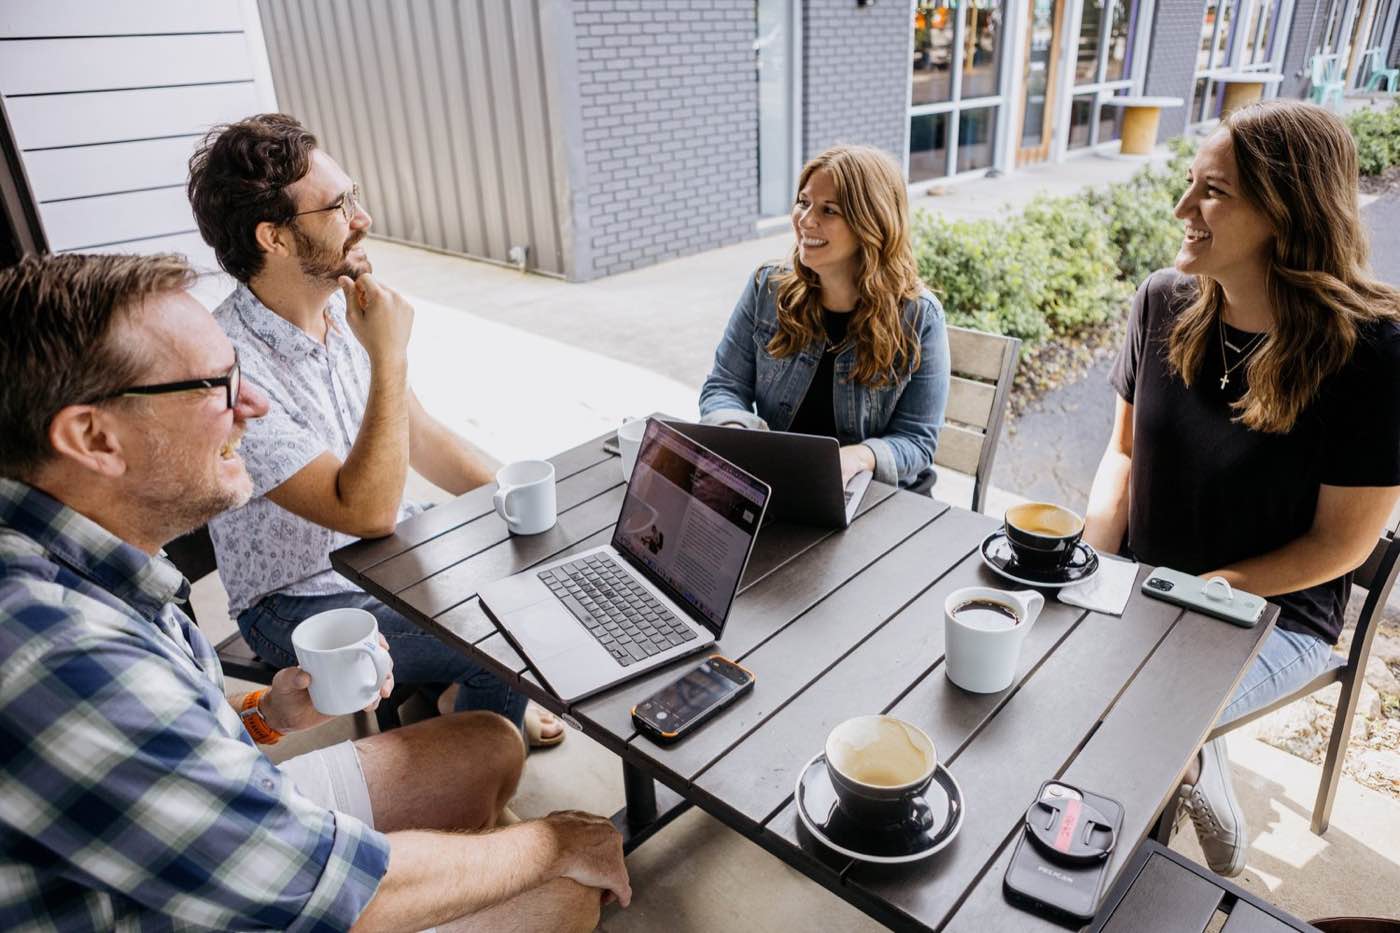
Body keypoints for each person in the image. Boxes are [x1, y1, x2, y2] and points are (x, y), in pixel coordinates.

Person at [0, 253, 628, 930]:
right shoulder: (57, 653)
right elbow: (328, 887)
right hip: (193, 900)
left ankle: (461, 859)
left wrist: (270, 713)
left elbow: (173, 732)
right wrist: (553, 842)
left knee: (491, 742)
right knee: (561, 891)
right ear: (94, 436)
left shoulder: (94, 561)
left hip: (215, 820)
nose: (254, 405)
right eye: (216, 386)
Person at [1082, 100, 1400, 876]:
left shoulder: (1373, 355)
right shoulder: (1162, 301)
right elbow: (1121, 456)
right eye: (1190, 184)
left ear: (1285, 212)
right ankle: (1189, 765)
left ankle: (1167, 856)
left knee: (1138, 716)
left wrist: (1213, 587)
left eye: (1212, 192)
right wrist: (1085, 570)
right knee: (1060, 677)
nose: (1183, 209)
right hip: (1145, 583)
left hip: (1271, 613)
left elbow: (1343, 543)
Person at [186, 113, 563, 746]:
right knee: (511, 639)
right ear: (273, 238)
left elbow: (417, 433)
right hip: (296, 601)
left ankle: (460, 704)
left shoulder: (343, 307)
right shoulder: (228, 364)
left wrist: (523, 503)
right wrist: (390, 356)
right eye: (338, 206)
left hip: (387, 559)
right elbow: (364, 511)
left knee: (538, 581)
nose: (363, 219)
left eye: (353, 196)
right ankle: (469, 747)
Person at [699, 144, 950, 492]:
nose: (805, 220)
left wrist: (858, 458)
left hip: (876, 497)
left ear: (871, 223)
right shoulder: (766, 287)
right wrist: (738, 436)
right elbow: (724, 387)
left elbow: (916, 441)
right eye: (803, 202)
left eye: (828, 210)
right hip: (781, 485)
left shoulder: (920, 317)